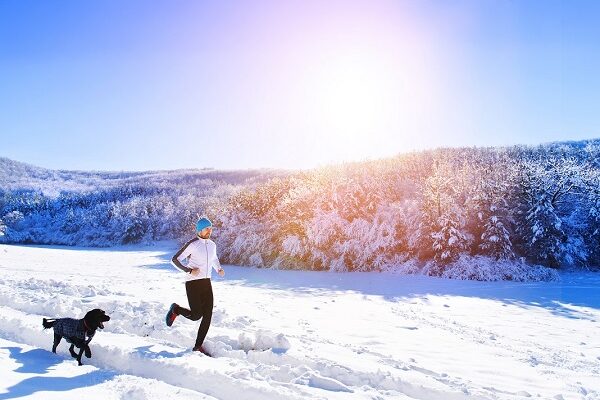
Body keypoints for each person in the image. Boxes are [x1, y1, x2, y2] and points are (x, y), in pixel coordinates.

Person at [165, 217, 225, 355]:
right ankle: (176, 309)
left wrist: (218, 268)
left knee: (208, 315)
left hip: (206, 282)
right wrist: (189, 270)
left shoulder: (212, 245)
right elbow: (175, 260)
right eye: (207, 229)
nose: (209, 231)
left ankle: (198, 346)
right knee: (196, 315)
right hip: (193, 283)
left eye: (211, 228)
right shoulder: (193, 244)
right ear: (200, 230)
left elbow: (214, 258)